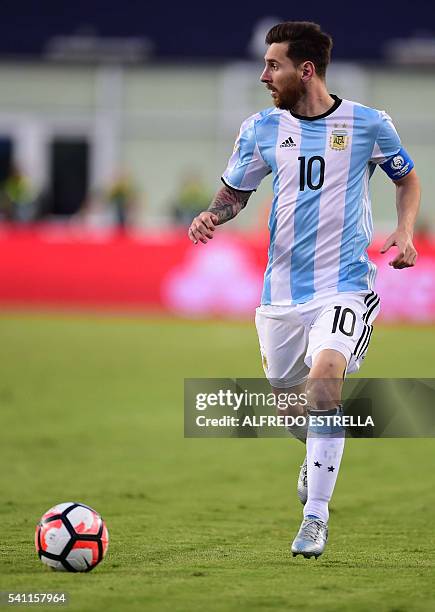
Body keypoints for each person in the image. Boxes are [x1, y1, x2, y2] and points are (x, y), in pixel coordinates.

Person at [187, 21, 420, 559]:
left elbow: (406, 178)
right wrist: (212, 214)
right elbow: (235, 192)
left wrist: (405, 230)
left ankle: (315, 517)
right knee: (296, 410)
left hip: (345, 286)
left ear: (305, 70)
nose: (265, 75)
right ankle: (317, 455)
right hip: (281, 296)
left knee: (323, 387)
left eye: (274, 65)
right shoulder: (261, 128)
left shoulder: (367, 124)